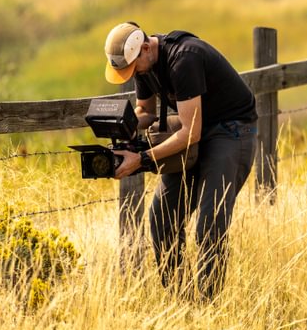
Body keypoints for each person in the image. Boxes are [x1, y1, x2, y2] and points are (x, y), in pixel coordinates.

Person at [103, 21, 257, 299]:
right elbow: (145, 110)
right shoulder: (143, 63)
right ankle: (181, 302)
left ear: (146, 48)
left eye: (132, 68)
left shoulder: (185, 59)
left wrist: (142, 158)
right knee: (161, 217)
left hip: (231, 132)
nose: (132, 74)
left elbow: (189, 132)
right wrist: (122, 126)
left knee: (209, 225)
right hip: (198, 132)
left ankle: (208, 306)